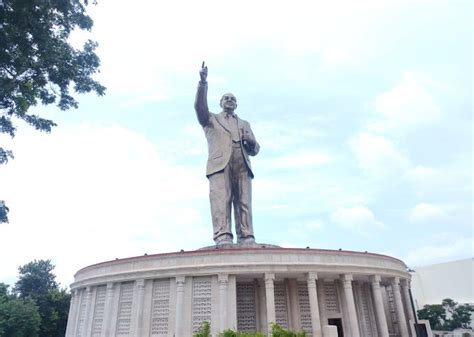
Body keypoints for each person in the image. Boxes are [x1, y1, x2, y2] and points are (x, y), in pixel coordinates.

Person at [194, 62, 260, 245]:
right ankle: (223, 235)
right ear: (221, 103)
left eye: (232, 98)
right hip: (220, 163)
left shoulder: (244, 124)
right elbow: (199, 108)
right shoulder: (211, 119)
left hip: (242, 163)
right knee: (221, 200)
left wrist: (252, 143)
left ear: (236, 104)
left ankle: (247, 235)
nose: (229, 100)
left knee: (244, 201)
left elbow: (256, 149)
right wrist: (203, 83)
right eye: (226, 98)